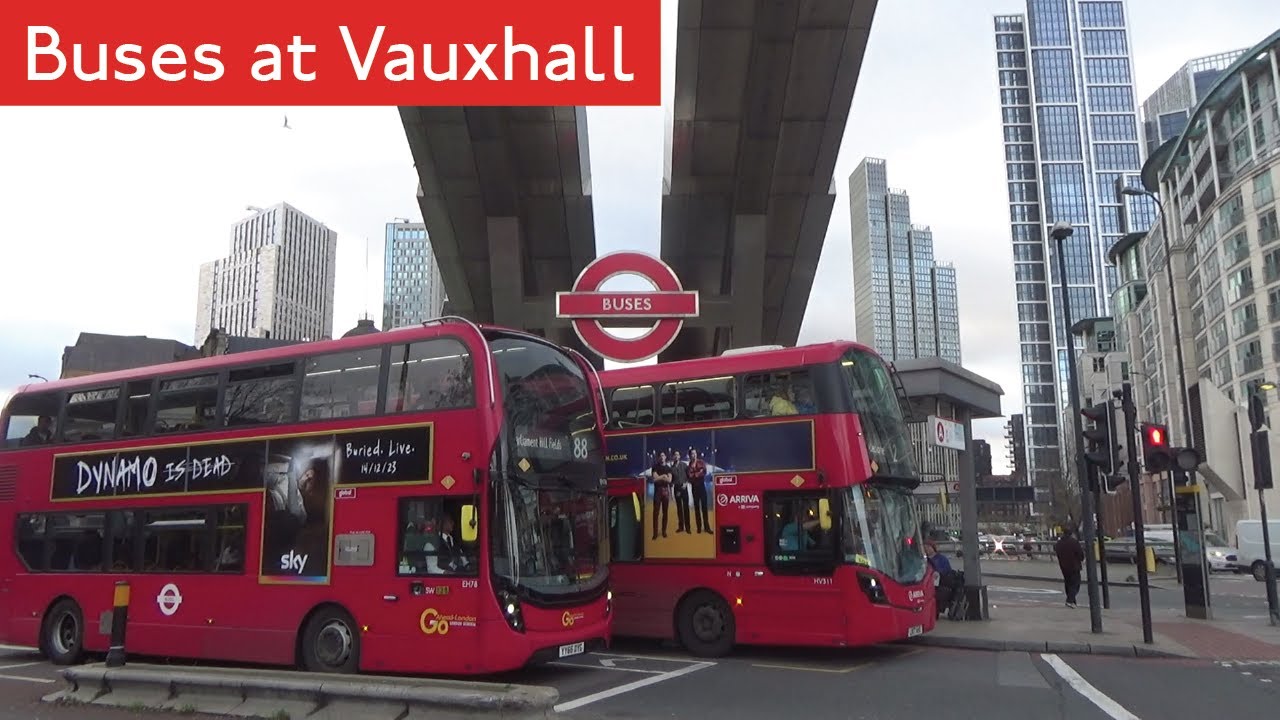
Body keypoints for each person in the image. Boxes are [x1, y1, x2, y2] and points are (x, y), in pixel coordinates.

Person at [1054, 528, 1085, 608]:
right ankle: (1070, 600)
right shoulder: (1074, 542)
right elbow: (1080, 554)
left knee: (1068, 584)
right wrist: (1081, 559)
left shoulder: (1059, 543)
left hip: (1064, 566)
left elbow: (1057, 552)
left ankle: (1072, 602)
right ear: (1071, 534)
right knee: (1075, 584)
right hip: (1074, 566)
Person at [687, 449, 711, 534]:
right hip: (694, 488)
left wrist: (696, 474)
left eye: (695, 453)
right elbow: (689, 476)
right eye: (692, 454)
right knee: (697, 508)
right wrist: (697, 473)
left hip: (701, 487)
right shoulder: (689, 465)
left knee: (704, 507)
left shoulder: (701, 462)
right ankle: (699, 528)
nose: (694, 455)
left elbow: (704, 471)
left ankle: (707, 527)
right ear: (690, 455)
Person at [650, 453, 673, 539]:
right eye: (660, 456)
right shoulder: (655, 467)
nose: (662, 457)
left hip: (665, 492)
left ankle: (664, 531)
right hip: (657, 492)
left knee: (665, 513)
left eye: (663, 455)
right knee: (655, 513)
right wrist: (664, 476)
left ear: (665, 457)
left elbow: (669, 480)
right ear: (658, 457)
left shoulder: (668, 468)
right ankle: (655, 533)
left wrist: (660, 477)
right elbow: (654, 479)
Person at [671, 451, 691, 533]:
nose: (676, 456)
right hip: (677, 488)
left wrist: (686, 484)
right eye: (674, 455)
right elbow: (671, 480)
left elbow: (689, 476)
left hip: (684, 487)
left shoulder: (684, 465)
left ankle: (688, 527)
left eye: (677, 455)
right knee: (679, 508)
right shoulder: (671, 468)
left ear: (679, 456)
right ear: (673, 457)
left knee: (686, 507)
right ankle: (681, 527)